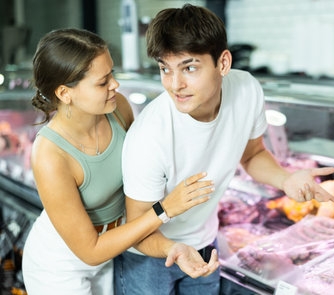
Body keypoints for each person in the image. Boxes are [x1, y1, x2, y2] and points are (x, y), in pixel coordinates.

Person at [115, 4, 334, 295]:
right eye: (165, 69)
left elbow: (253, 155)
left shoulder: (246, 89)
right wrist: (175, 249)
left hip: (205, 244)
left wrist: (285, 179)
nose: (175, 85)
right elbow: (137, 228)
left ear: (223, 63)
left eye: (189, 68)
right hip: (147, 258)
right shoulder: (150, 135)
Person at [22, 28, 218, 295]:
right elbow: (90, 251)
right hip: (61, 264)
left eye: (112, 73)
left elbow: (144, 172)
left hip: (114, 250)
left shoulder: (119, 109)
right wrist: (165, 209)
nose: (115, 85)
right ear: (65, 93)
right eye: (103, 82)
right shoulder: (49, 155)